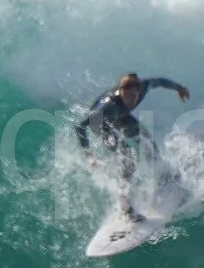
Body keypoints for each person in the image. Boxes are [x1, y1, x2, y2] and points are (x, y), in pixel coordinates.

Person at [75, 73, 191, 219]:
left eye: (134, 96)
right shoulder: (108, 106)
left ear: (139, 90)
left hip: (121, 117)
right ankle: (125, 207)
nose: (132, 100)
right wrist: (89, 155)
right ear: (120, 91)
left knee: (148, 143)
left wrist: (179, 88)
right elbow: (80, 126)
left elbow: (160, 81)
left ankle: (162, 178)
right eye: (128, 96)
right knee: (127, 158)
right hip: (102, 125)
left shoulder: (143, 87)